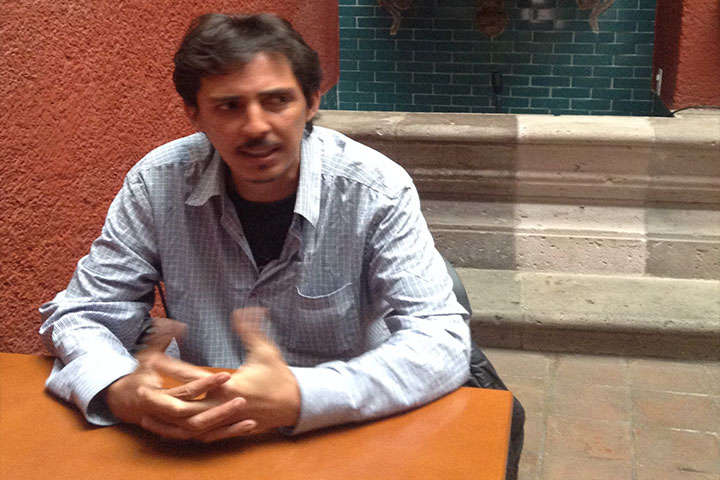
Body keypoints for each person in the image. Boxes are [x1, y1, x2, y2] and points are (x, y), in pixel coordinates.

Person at [39, 12, 522, 477]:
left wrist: (301, 396)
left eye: (277, 101)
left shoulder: (375, 189)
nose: (256, 126)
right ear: (194, 113)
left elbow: (440, 339)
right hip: (204, 439)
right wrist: (117, 387)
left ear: (311, 102)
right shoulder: (156, 184)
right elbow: (84, 314)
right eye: (229, 106)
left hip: (349, 430)